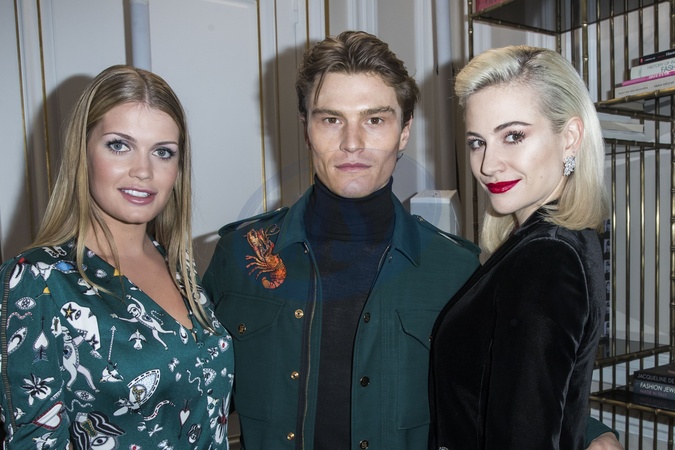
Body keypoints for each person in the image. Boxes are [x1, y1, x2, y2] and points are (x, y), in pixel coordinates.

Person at [203, 32, 620, 450]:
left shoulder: (457, 269)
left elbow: (508, 382)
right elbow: (192, 386)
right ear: (307, 128)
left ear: (404, 132)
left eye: (375, 120)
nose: (352, 143)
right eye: (331, 120)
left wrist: (591, 433)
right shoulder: (240, 256)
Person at [0, 65, 233, 448]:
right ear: (83, 152)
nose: (143, 171)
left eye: (163, 152)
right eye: (119, 145)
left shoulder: (177, 263)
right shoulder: (37, 278)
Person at [428, 45, 610, 449]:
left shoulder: (546, 256)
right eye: (477, 142)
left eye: (513, 136)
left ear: (570, 137)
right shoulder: (565, 240)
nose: (488, 164)